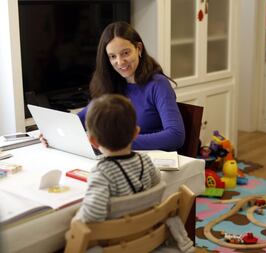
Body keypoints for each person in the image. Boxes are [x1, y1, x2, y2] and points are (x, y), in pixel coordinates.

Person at [41, 21, 185, 151]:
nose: (120, 62)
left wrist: (117, 143)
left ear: (139, 49)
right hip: (118, 157)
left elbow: (175, 136)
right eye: (113, 56)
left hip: (148, 162)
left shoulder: (158, 84)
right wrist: (53, 132)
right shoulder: (110, 83)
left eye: (125, 53)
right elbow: (85, 119)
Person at [74, 94, 161, 222]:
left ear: (93, 141)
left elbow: (93, 214)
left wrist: (75, 221)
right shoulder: (145, 160)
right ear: (136, 133)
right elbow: (156, 185)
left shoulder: (102, 173)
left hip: (116, 239)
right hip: (145, 231)